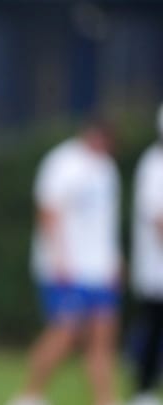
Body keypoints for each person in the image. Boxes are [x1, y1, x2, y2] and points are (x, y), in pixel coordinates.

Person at [9, 118, 122, 405]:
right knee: (65, 331)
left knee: (103, 333)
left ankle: (105, 399)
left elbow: (106, 221)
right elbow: (48, 211)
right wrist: (60, 258)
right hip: (67, 267)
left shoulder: (107, 168)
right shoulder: (63, 162)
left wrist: (115, 258)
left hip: (99, 268)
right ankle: (30, 394)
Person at [128, 104, 163, 405]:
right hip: (156, 268)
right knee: (153, 329)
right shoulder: (154, 165)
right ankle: (143, 389)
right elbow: (157, 219)